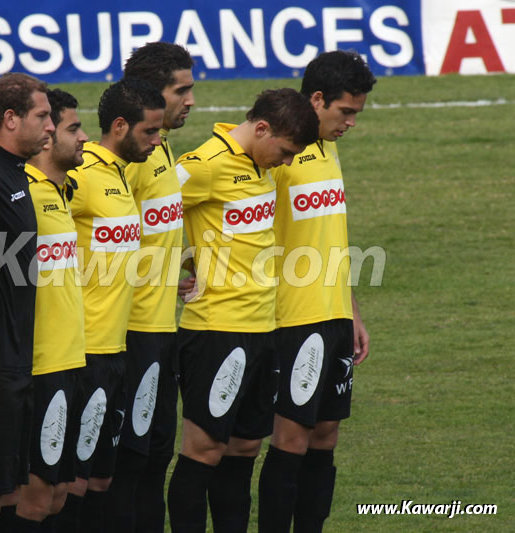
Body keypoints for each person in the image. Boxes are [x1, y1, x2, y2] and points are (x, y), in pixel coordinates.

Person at [167, 89, 319, 532]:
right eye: (285, 152)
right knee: (203, 451)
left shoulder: (262, 165)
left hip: (263, 330)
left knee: (244, 449)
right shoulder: (204, 165)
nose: (287, 162)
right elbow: (143, 214)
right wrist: (167, 271)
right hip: (216, 331)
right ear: (262, 129)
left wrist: (190, 259)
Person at [257, 50, 375, 533]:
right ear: (318, 99)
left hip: (334, 317)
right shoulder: (278, 151)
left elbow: (330, 239)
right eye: (345, 111)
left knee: (325, 437)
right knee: (290, 439)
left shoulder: (327, 147)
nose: (351, 123)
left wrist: (352, 311)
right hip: (293, 319)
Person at [55, 77, 165, 533]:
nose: (157, 141)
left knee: (101, 479)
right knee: (73, 484)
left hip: (116, 351)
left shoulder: (121, 174)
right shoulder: (82, 176)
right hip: (85, 354)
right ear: (120, 126)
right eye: (149, 132)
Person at [105, 42, 195, 532]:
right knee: (132, 463)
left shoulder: (159, 146)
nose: (191, 101)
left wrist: (173, 265)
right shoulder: (131, 154)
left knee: (156, 454)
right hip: (133, 334)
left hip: (161, 329)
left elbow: (145, 231)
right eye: (182, 90)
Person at [0, 73, 55, 530]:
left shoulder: (16, 171)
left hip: (19, 356)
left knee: (10, 492)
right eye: (42, 116)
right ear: (10, 118)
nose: (50, 126)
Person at [13, 88, 88, 531]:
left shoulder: (62, 191)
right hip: (41, 366)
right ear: (47, 136)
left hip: (71, 360)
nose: (84, 137)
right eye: (74, 128)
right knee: (35, 497)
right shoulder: (22, 195)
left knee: (60, 494)